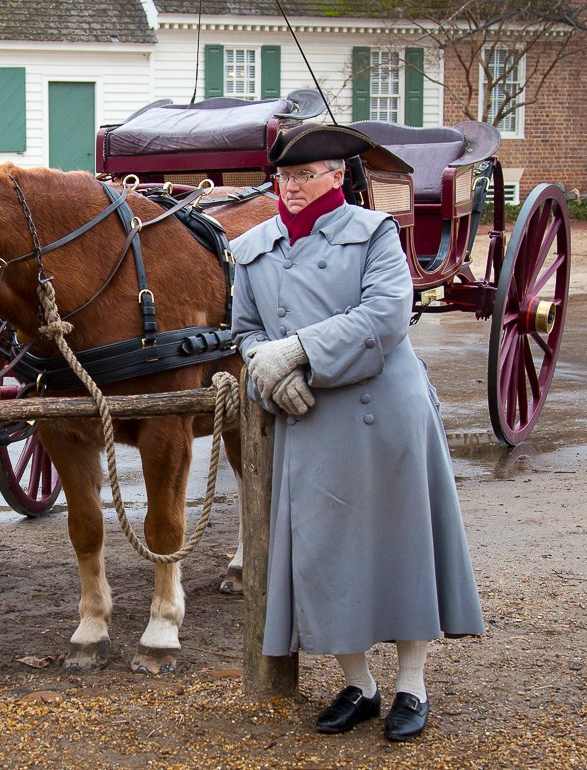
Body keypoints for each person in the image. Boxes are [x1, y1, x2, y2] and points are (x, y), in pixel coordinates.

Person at [230, 124, 485, 742]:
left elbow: (385, 317)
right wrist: (270, 376)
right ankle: (361, 685)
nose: (291, 189)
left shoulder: (375, 236)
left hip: (384, 415)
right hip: (310, 415)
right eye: (284, 178)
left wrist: (295, 352)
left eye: (304, 176)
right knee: (324, 552)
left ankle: (412, 687)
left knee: (401, 547)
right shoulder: (251, 248)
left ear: (334, 177)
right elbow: (244, 334)